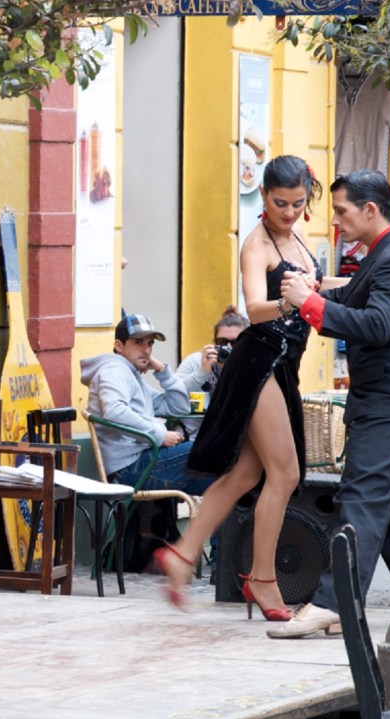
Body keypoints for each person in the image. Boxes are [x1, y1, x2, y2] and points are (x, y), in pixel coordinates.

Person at [154, 155, 348, 620]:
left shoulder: (299, 236)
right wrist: (291, 299)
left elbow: (316, 288)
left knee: (245, 475)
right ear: (263, 196)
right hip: (259, 360)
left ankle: (181, 556)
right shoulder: (256, 244)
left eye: (298, 203)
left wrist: (350, 286)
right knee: (285, 475)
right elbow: (254, 306)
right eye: (280, 203)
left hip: (285, 364)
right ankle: (262, 579)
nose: (289, 212)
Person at [268, 170, 390, 639]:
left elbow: (378, 323)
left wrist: (310, 303)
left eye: (342, 211)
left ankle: (333, 603)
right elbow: (359, 295)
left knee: (363, 502)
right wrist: (320, 290)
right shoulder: (387, 253)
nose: (336, 222)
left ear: (371, 210)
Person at [81, 314, 209, 497]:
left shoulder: (130, 374)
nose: (146, 349)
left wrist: (162, 371)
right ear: (119, 345)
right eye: (138, 342)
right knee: (208, 449)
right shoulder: (113, 371)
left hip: (142, 461)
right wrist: (159, 435)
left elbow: (179, 408)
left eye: (150, 343)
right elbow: (114, 411)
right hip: (129, 469)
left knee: (220, 481)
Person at [174, 305, 249, 435]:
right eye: (222, 342)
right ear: (214, 342)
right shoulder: (196, 361)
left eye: (235, 342)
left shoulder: (250, 365)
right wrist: (202, 373)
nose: (228, 347)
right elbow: (173, 396)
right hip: (193, 436)